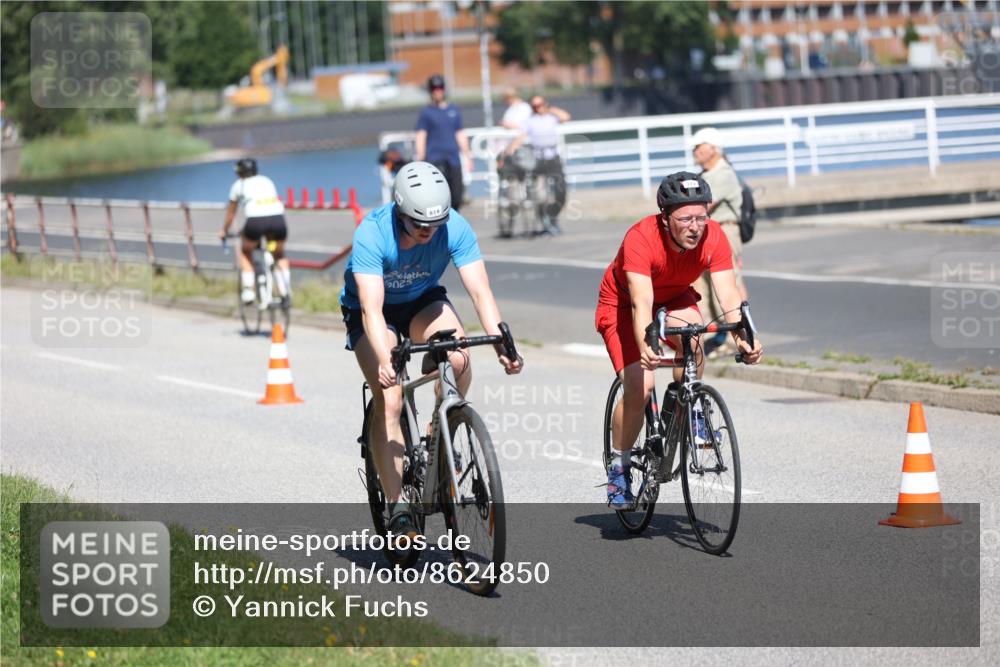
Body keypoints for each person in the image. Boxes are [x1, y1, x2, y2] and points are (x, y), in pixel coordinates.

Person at [340, 161, 523, 533]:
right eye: (420, 224)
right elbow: (372, 310)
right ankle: (398, 507)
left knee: (459, 356)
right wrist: (384, 359)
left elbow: (479, 290)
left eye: (434, 226)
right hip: (374, 313)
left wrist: (501, 340)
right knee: (390, 397)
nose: (428, 232)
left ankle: (436, 432)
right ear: (400, 212)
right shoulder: (372, 234)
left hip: (422, 300)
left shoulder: (454, 226)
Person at [595, 172, 763, 508]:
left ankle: (689, 410)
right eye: (685, 218)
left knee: (694, 339)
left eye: (702, 216)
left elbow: (728, 294)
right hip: (624, 305)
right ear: (665, 217)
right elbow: (642, 301)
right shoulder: (641, 237)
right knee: (639, 387)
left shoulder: (714, 236)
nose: (695, 226)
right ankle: (619, 466)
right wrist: (647, 345)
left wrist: (743, 336)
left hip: (674, 298)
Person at [690, 127, 748, 357]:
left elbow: (704, 205)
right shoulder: (705, 176)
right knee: (702, 286)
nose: (694, 151)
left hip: (724, 231)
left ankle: (738, 340)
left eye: (698, 146)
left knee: (726, 285)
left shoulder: (723, 173)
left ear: (713, 148)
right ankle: (716, 336)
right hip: (706, 234)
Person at [219, 158, 290, 305]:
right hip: (278, 220)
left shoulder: (239, 185)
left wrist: (224, 231)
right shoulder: (266, 180)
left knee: (245, 252)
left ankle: (249, 292)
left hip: (255, 222)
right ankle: (285, 292)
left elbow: (231, 213)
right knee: (279, 254)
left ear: (239, 172)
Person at [506, 95, 570, 234]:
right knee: (541, 195)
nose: (538, 108)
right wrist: (509, 151)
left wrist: (551, 109)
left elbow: (566, 117)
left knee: (561, 192)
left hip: (553, 158)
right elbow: (521, 136)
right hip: (538, 160)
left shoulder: (552, 118)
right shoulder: (530, 121)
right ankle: (545, 221)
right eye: (535, 106)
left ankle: (553, 216)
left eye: (540, 104)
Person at [414, 75, 472, 212]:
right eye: (434, 88)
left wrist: (468, 156)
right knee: (439, 197)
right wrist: (421, 156)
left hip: (453, 158)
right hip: (434, 159)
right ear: (430, 91)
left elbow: (459, 133)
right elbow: (421, 134)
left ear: (444, 89)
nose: (437, 91)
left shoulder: (454, 110)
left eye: (439, 88)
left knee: (457, 195)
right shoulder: (426, 112)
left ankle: (452, 221)